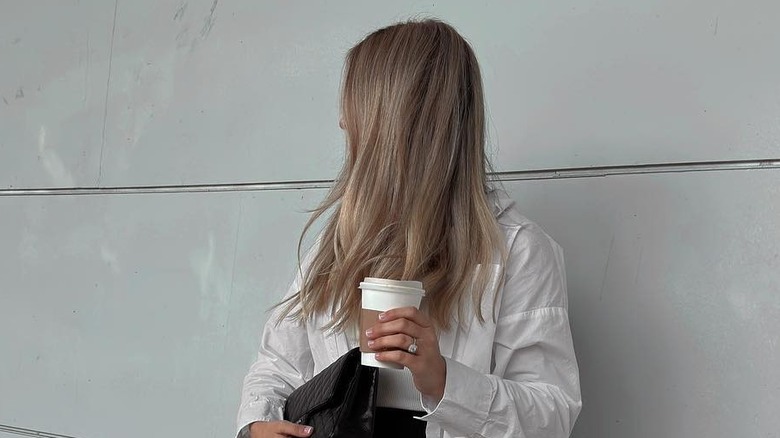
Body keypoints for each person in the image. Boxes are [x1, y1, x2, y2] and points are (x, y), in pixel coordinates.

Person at [236, 18, 581, 438]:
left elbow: (553, 417)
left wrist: (442, 380)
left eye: (355, 106)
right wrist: (257, 425)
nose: (343, 123)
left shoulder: (517, 252)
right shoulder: (339, 244)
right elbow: (277, 363)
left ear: (394, 122)